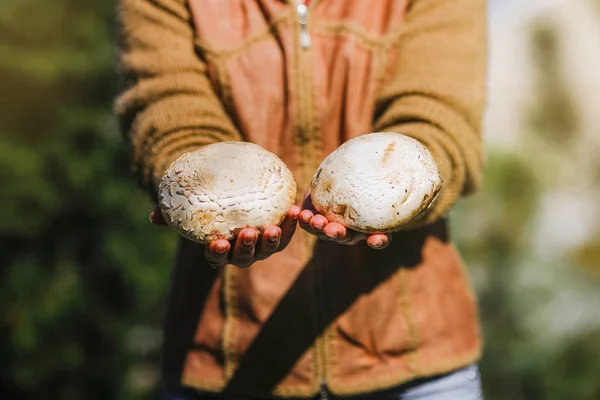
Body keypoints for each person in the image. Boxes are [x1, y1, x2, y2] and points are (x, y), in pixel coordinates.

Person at [114, 0, 487, 399]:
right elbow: (165, 108)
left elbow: (440, 119)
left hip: (412, 360)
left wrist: (403, 193)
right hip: (228, 359)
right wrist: (201, 192)